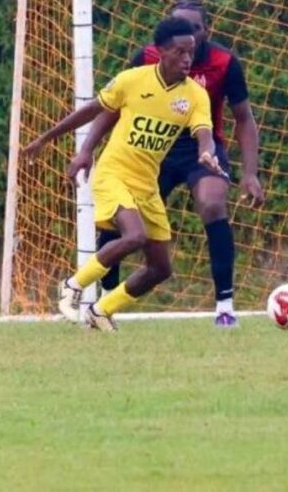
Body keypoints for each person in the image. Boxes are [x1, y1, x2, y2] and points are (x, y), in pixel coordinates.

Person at [72, 0, 264, 327]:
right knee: (121, 223)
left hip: (200, 149)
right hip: (149, 151)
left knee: (213, 204)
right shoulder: (148, 59)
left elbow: (243, 117)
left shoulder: (224, 62)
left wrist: (250, 173)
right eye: (180, 27)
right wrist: (87, 148)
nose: (187, 37)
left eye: (194, 29)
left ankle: (225, 306)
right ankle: (104, 301)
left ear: (206, 31)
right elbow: (113, 107)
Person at [22, 16, 222, 330]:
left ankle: (101, 311)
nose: (187, 59)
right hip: (114, 174)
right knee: (135, 235)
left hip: (147, 185)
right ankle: (72, 285)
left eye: (191, 52)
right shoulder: (132, 80)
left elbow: (204, 132)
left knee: (160, 268)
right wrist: (49, 138)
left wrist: (206, 152)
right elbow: (92, 110)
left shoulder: (194, 96)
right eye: (180, 52)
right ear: (160, 51)